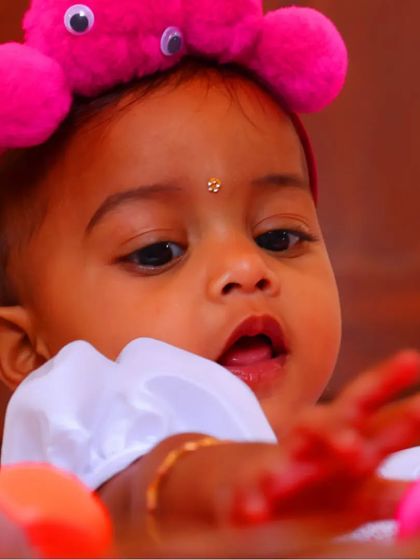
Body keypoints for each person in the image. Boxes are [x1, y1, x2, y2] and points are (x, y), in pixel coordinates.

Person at [0, 0, 420, 555]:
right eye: (157, 251)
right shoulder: (83, 411)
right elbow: (134, 487)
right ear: (29, 349)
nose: (246, 268)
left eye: (278, 237)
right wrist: (228, 482)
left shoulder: (368, 461)